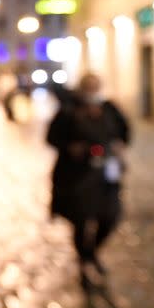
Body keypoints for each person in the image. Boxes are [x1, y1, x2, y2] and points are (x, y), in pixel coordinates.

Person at [46, 73, 130, 290]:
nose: (92, 92)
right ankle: (84, 264)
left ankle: (90, 254)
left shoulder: (109, 109)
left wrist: (118, 146)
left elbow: (125, 132)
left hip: (105, 177)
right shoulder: (68, 110)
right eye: (89, 87)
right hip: (78, 177)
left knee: (111, 217)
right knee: (82, 222)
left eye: (96, 87)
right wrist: (71, 147)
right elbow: (52, 137)